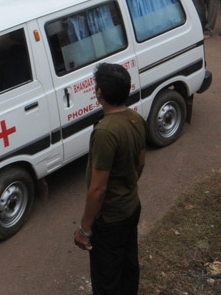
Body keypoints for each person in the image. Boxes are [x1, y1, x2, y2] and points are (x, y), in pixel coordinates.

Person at [73, 63, 146, 295]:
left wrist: (84, 229)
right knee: (128, 268)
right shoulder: (135, 118)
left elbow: (98, 190)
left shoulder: (105, 132)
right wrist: (126, 187)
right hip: (131, 207)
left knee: (107, 281)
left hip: (110, 220)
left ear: (99, 94)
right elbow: (140, 163)